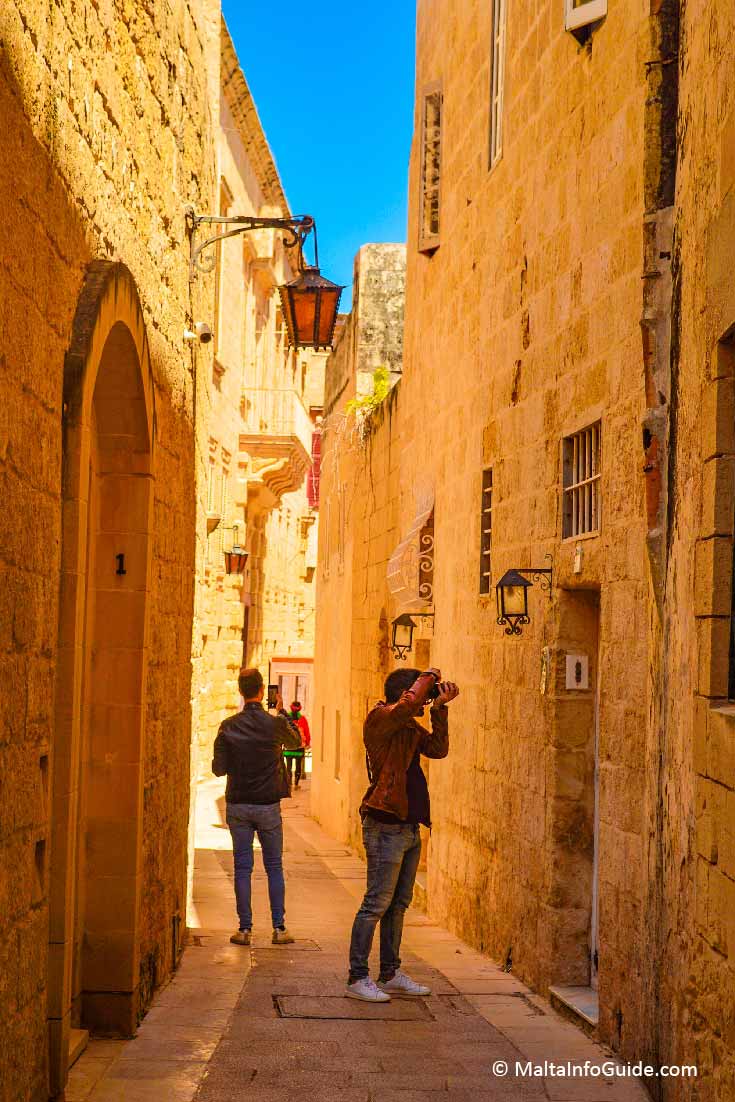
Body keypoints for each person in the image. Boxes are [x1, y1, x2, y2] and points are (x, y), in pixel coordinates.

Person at [346, 667, 460, 1002]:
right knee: (375, 904)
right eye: (422, 694)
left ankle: (390, 973)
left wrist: (440, 709)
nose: (423, 701)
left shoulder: (408, 726)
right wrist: (428, 675)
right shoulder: (379, 718)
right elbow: (408, 705)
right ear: (406, 693)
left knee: (398, 905)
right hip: (385, 825)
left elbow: (437, 749)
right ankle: (357, 977)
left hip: (408, 826)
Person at [212, 667, 302, 947]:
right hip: (267, 805)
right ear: (263, 691)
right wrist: (282, 712)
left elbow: (218, 769)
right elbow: (297, 741)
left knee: (242, 867)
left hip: (238, 804)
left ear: (240, 691)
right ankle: (279, 928)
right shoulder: (274, 724)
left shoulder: (228, 726)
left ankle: (244, 929)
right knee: (274, 866)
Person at [284, 701, 310, 789]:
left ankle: (289, 784)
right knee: (298, 766)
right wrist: (307, 743)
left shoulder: (286, 718)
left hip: (288, 747)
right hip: (299, 747)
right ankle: (296, 784)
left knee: (289, 766)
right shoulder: (302, 719)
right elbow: (306, 732)